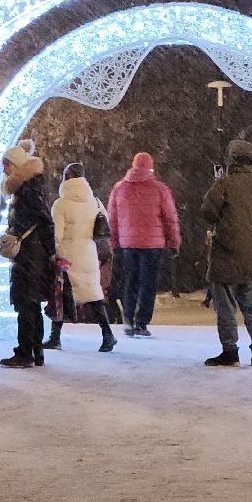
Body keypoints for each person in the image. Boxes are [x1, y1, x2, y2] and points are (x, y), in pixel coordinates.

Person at [201, 139, 252, 367]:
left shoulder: (224, 185)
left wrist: (217, 183)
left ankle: (230, 351)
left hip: (226, 253)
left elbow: (208, 212)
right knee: (251, 305)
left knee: (226, 307)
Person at [44, 163, 117, 353]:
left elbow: (56, 235)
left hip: (67, 256)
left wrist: (52, 254)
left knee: (59, 296)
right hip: (88, 253)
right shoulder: (95, 201)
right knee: (93, 295)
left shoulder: (61, 204)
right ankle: (107, 334)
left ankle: (55, 337)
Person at [107, 151, 180, 338]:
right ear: (150, 166)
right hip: (152, 244)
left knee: (130, 281)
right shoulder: (159, 189)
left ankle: (129, 318)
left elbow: (112, 219)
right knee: (148, 283)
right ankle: (142, 322)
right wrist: (174, 241)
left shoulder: (119, 188)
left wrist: (113, 241)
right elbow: (170, 218)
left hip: (127, 243)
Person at [0, 140, 55, 369]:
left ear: (18, 165)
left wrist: (50, 252)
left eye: (7, 164)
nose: (4, 169)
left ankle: (25, 353)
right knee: (31, 304)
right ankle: (36, 352)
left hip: (30, 255)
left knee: (26, 302)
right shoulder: (28, 188)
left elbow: (44, 221)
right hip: (32, 253)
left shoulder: (27, 190)